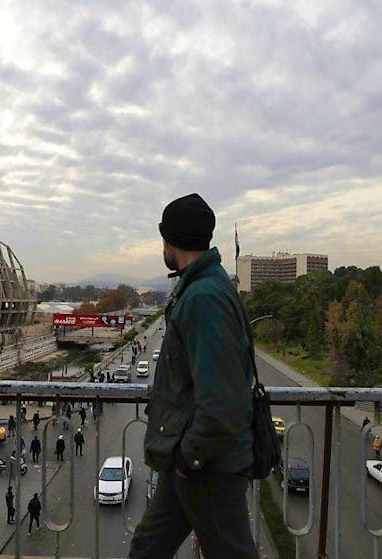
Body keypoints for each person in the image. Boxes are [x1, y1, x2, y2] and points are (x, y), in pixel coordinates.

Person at [129, 194, 257, 559]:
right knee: (146, 549)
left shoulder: (204, 298)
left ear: (172, 240)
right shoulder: (202, 286)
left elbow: (223, 400)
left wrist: (189, 457)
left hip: (207, 466)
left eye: (163, 238)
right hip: (190, 459)